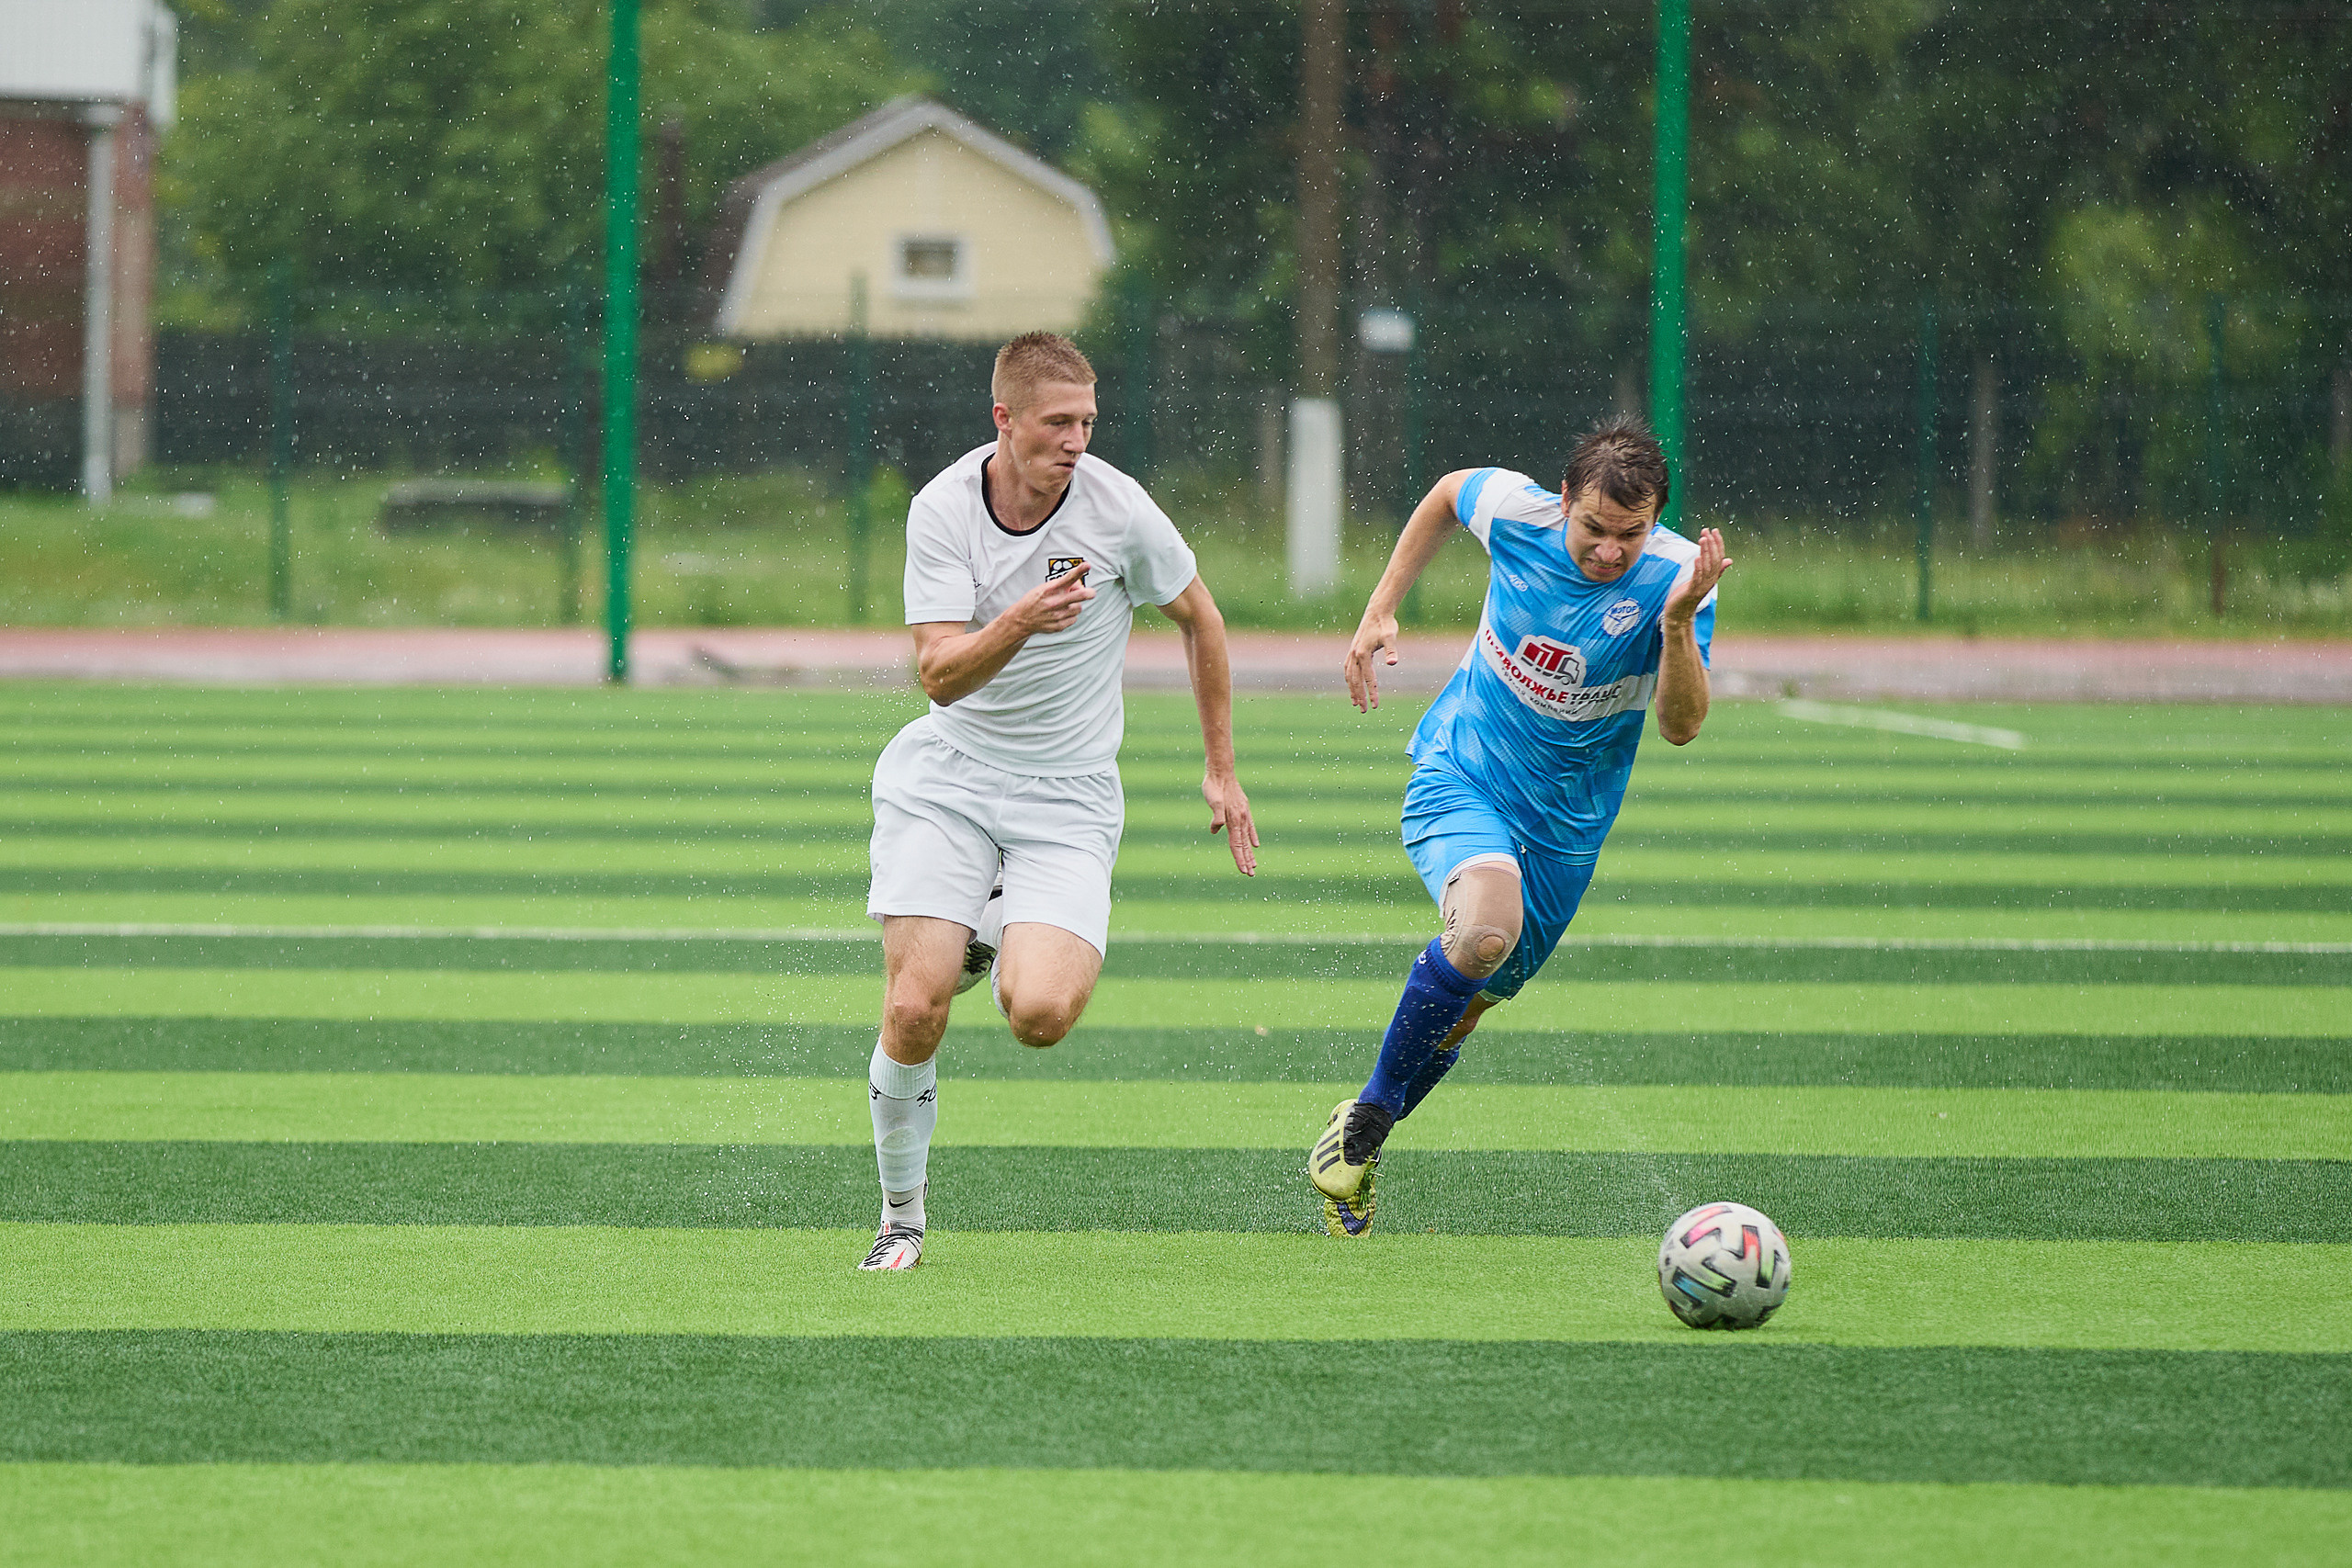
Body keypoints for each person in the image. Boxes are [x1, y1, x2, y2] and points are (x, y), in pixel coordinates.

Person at [859, 331, 1259, 1270]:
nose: (1076, 439)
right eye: (1056, 422)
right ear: (1004, 420)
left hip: (1068, 797)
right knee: (915, 1007)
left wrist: (1221, 768)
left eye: (1086, 421)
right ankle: (900, 1218)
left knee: (1039, 1015)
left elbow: (1200, 617)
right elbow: (939, 677)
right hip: (948, 777)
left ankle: (989, 923)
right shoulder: (942, 509)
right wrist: (1019, 621)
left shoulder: (1119, 511)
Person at [1306, 420, 1728, 1235]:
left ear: (1659, 521)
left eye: (1629, 536)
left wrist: (1676, 626)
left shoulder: (1680, 579)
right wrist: (1381, 607)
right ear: (1563, 501)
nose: (1608, 552)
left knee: (1465, 1009)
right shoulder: (1517, 510)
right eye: (1594, 529)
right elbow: (1444, 493)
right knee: (1486, 932)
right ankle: (1365, 1128)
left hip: (1567, 833)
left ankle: (1364, 1125)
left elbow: (1681, 726)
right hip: (1463, 774)